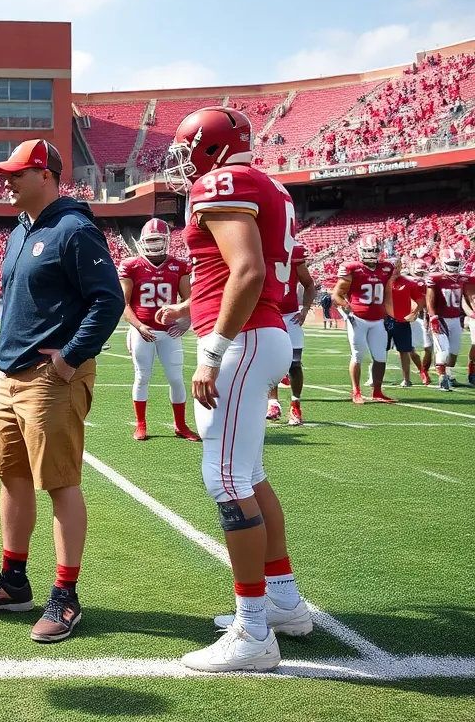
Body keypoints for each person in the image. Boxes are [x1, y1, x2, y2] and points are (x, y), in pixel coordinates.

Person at [156, 107, 311, 673]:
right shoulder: (267, 184)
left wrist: (213, 350)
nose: (179, 159)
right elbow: (236, 274)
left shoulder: (222, 182)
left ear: (209, 147)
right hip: (259, 332)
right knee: (250, 473)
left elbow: (245, 272)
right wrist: (187, 311)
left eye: (184, 147)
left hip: (243, 339)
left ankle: (253, 630)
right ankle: (284, 601)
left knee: (224, 477)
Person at [0, 140, 123, 644]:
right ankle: (13, 581)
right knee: (11, 477)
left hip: (50, 378)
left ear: (46, 176)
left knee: (59, 482)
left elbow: (108, 300)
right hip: (11, 376)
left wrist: (71, 359)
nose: (5, 181)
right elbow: (15, 307)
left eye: (16, 173)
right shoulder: (20, 232)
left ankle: (65, 595)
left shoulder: (74, 229)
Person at [116, 218, 198, 442]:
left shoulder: (178, 266)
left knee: (176, 379)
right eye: (150, 241)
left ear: (167, 241)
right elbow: (123, 304)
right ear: (142, 242)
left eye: (157, 240)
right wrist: (140, 326)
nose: (153, 245)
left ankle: (180, 425)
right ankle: (141, 424)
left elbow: (189, 300)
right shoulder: (132, 265)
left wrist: (185, 320)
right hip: (142, 332)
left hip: (169, 332)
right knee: (142, 377)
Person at [332, 236, 399, 404]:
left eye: (375, 250)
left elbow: (388, 296)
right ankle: (356, 391)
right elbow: (337, 295)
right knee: (358, 355)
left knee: (380, 356)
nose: (372, 254)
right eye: (368, 251)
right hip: (358, 319)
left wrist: (391, 314)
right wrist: (347, 308)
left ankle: (377, 391)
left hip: (377, 320)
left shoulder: (386, 268)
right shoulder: (352, 268)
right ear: (361, 251)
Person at [267, 237, 314, 426]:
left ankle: (295, 404)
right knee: (269, 362)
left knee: (295, 364)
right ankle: (273, 402)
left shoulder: (293, 254)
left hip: (290, 315)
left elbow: (309, 284)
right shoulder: (258, 248)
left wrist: (305, 310)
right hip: (268, 314)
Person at [426, 249, 472, 391]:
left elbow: (467, 294)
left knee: (453, 353)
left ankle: (448, 374)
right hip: (441, 319)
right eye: (451, 263)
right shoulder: (436, 278)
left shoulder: (463, 278)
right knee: (443, 351)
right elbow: (430, 299)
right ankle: (442, 378)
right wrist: (432, 316)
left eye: (456, 263)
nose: (454, 266)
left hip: (456, 319)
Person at [386, 265, 426, 387]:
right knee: (381, 351)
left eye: (397, 267)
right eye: (392, 268)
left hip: (402, 321)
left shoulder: (408, 283)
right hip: (383, 321)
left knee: (405, 350)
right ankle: (375, 378)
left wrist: (414, 313)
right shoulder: (380, 282)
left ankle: (407, 379)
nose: (395, 271)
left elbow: (420, 300)